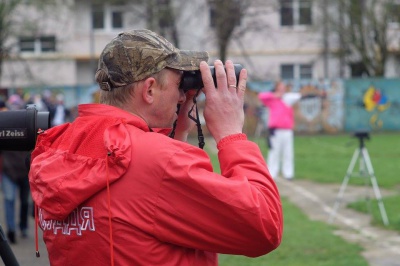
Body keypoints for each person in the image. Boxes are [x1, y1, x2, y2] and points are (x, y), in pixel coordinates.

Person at [29, 29, 283, 265]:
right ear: (149, 89)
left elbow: (134, 218)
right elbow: (264, 227)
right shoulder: (158, 161)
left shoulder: (58, 148)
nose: (184, 95)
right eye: (178, 85)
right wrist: (231, 134)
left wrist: (178, 128)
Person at [1, 95, 31, 244]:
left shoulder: (27, 124)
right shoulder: (3, 124)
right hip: (8, 171)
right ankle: (11, 230)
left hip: (25, 171)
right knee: (9, 200)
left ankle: (23, 227)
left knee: (25, 202)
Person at [258, 81, 301, 180]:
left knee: (288, 152)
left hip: (287, 130)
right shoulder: (272, 99)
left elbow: (298, 96)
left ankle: (288, 173)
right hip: (275, 130)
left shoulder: (287, 99)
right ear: (276, 88)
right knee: (274, 152)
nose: (282, 89)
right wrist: (274, 95)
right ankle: (272, 173)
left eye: (283, 87)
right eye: (280, 87)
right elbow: (261, 96)